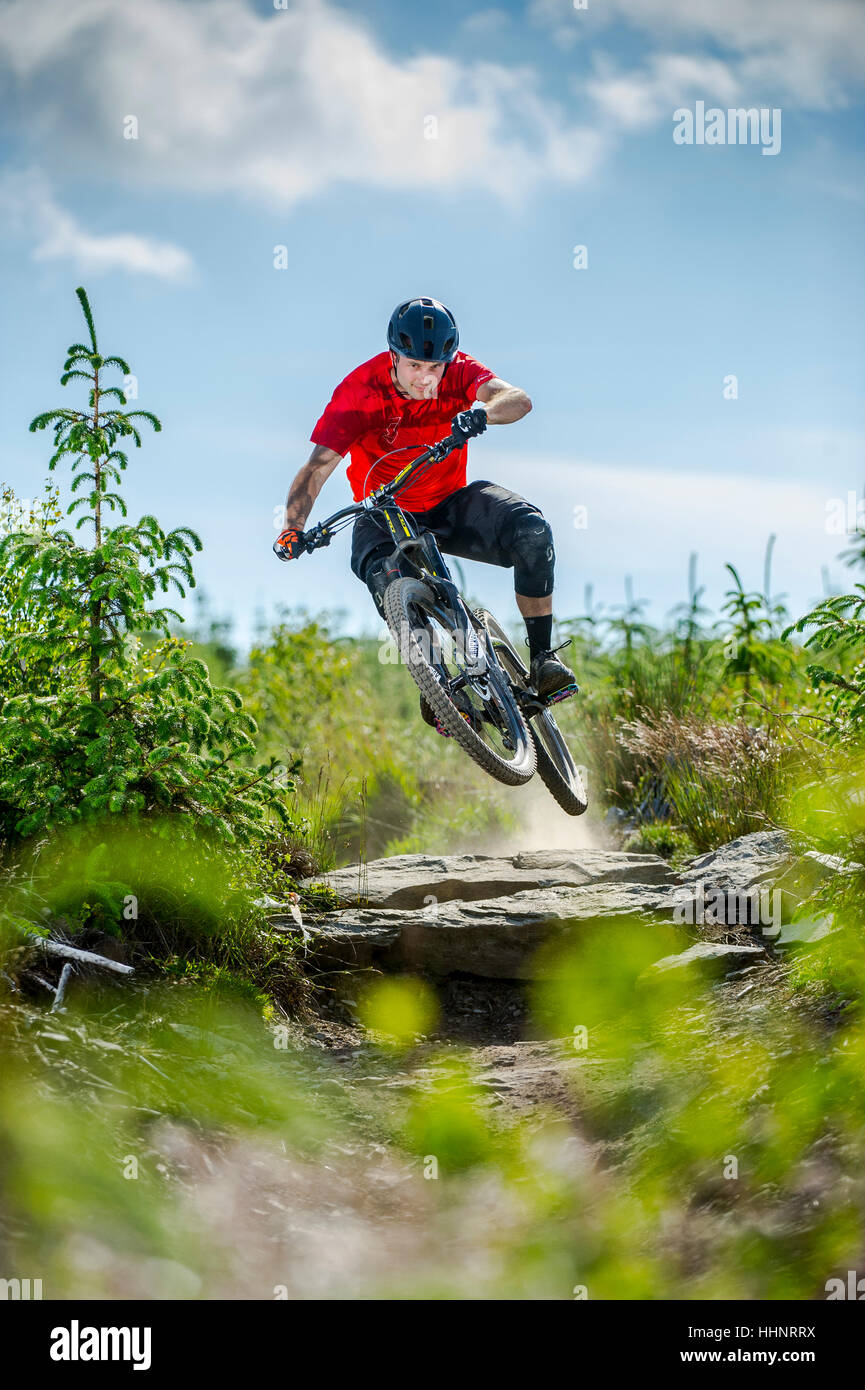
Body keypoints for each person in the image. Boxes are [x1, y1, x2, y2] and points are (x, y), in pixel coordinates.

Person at [273, 296, 576, 723]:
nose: (425, 378)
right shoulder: (359, 391)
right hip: (384, 511)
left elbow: (517, 399)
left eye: (435, 368)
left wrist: (483, 413)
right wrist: (293, 527)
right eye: (414, 365)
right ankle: (436, 685)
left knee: (531, 531)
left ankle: (543, 658)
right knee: (384, 575)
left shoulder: (461, 371)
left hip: (448, 502)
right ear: (393, 356)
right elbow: (317, 468)